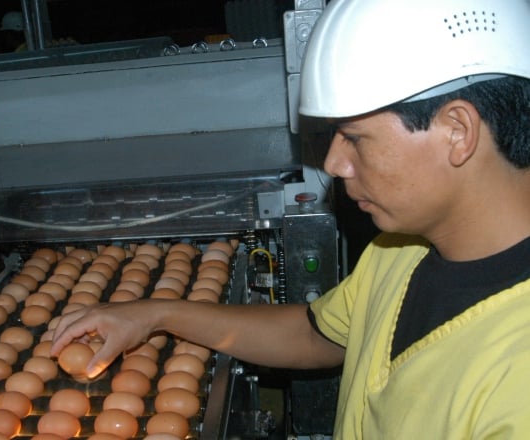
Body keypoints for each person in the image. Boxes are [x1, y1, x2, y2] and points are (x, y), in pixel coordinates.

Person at [51, 0, 530, 437]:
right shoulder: (403, 249)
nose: (336, 165)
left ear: (456, 131)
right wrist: (156, 313)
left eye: (356, 138)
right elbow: (314, 333)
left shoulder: (516, 380)